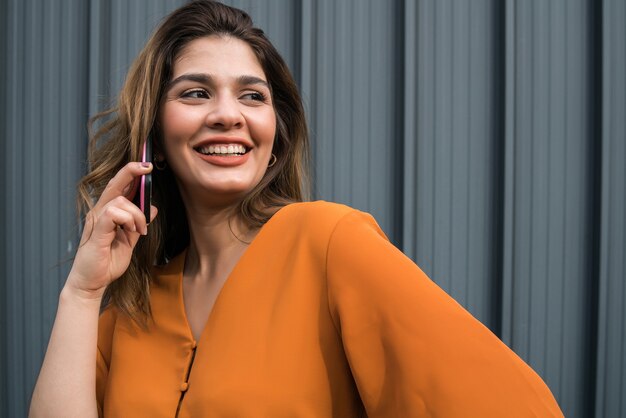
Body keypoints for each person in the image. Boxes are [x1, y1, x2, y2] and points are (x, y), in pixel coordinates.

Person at [29, 1, 564, 417]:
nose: (227, 115)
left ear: (276, 140)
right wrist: (82, 292)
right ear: (154, 140)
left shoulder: (329, 241)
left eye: (252, 96)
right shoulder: (129, 312)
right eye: (195, 93)